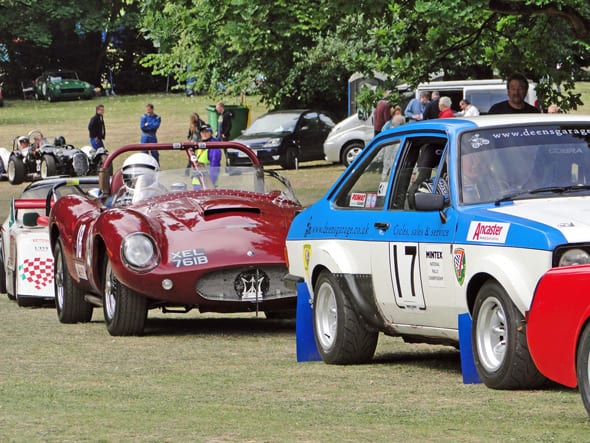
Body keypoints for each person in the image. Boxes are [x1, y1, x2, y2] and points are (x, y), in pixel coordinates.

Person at [191, 124, 222, 189]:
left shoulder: (213, 147)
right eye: (202, 132)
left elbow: (214, 168)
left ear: (211, 133)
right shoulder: (201, 145)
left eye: (206, 132)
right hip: (198, 183)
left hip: (206, 185)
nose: (204, 134)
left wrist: (210, 184)